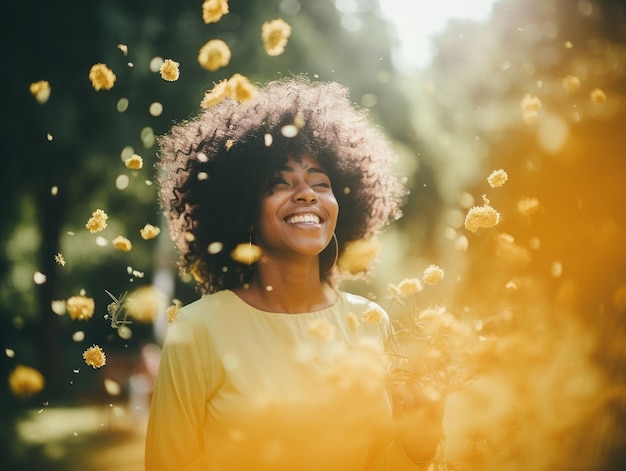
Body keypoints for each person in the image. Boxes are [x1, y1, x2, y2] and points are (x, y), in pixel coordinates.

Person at [145, 76, 444, 471]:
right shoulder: (197, 330)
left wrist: (418, 449)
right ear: (242, 212)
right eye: (279, 184)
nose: (306, 194)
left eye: (321, 183)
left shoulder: (371, 323)